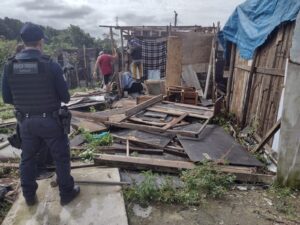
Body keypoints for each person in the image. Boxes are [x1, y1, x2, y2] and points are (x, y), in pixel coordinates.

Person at [1, 23, 79, 206]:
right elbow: (66, 98)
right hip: (51, 122)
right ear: (41, 41)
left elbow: (6, 98)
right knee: (60, 157)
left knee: (27, 159)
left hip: (25, 123)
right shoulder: (50, 65)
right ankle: (66, 193)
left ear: (23, 41)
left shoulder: (9, 66)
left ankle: (28, 196)